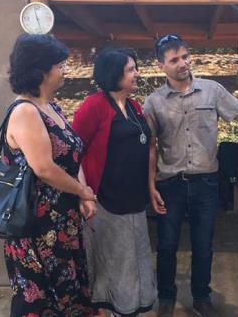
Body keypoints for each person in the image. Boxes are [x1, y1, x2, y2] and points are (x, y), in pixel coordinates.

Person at [144, 34, 238, 317]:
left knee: (203, 245)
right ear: (161, 65)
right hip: (170, 185)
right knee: (166, 245)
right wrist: (150, 186)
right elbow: (151, 147)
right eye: (174, 60)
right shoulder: (154, 103)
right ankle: (166, 298)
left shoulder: (212, 91)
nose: (182, 64)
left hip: (206, 183)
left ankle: (201, 297)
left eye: (185, 56)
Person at [2, 33, 97, 317]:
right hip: (37, 227)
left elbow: (72, 155)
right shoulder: (25, 112)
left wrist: (83, 192)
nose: (64, 70)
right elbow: (44, 168)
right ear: (42, 71)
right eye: (60, 65)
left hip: (61, 223)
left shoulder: (51, 107)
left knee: (67, 296)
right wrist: (83, 192)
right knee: (43, 301)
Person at [73, 48, 156, 317]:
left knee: (133, 261)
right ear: (114, 73)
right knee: (111, 263)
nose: (137, 74)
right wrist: (84, 193)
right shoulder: (94, 106)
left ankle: (127, 309)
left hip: (134, 202)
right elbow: (74, 152)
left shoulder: (133, 106)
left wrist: (151, 187)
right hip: (106, 202)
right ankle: (105, 310)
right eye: (131, 69)